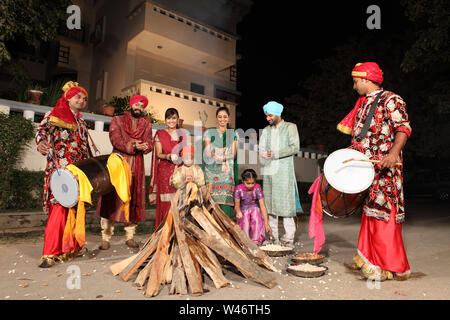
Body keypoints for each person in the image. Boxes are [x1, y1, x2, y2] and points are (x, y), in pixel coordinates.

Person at [338, 62, 412, 281]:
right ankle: (367, 258)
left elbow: (403, 128)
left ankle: (387, 266)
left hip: (386, 169)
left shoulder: (392, 99)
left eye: (355, 81)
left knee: (384, 215)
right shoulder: (361, 104)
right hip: (366, 169)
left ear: (365, 79)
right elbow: (360, 138)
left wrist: (393, 154)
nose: (353, 87)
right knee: (369, 213)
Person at [36, 81, 91, 268]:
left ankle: (73, 247)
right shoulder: (54, 114)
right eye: (78, 97)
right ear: (68, 98)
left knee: (76, 209)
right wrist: (41, 144)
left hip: (78, 171)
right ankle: (49, 253)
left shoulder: (81, 121)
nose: (82, 100)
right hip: (60, 170)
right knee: (59, 209)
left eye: (84, 98)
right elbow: (41, 131)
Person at [96, 95, 153, 249]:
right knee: (112, 199)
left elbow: (150, 142)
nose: (138, 108)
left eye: (141, 106)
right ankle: (106, 238)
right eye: (136, 104)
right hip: (118, 164)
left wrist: (146, 147)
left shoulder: (146, 125)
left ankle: (130, 236)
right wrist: (134, 146)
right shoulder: (118, 120)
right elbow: (115, 139)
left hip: (136, 167)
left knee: (133, 199)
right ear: (131, 105)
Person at [259, 101, 301, 248]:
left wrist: (275, 153)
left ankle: (289, 238)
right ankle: (272, 237)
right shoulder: (266, 130)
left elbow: (295, 147)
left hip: (284, 173)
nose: (268, 118)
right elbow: (262, 148)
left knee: (286, 206)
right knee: (270, 206)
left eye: (270, 115)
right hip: (269, 172)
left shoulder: (290, 127)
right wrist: (263, 153)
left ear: (277, 114)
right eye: (266, 116)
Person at [149, 108, 186, 229]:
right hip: (164, 171)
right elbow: (158, 154)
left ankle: (176, 232)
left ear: (177, 119)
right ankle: (164, 231)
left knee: (178, 202)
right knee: (165, 202)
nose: (171, 120)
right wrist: (168, 156)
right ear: (165, 120)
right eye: (169, 118)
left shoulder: (182, 134)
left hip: (178, 170)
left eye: (174, 118)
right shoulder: (160, 134)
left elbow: (185, 153)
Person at [203, 107, 238, 218]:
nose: (222, 119)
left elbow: (233, 154)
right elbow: (208, 152)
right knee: (212, 199)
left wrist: (222, 157)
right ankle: (212, 229)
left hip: (226, 171)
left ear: (228, 118)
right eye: (220, 116)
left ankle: (226, 229)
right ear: (217, 118)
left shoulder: (233, 134)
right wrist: (216, 155)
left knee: (226, 198)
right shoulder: (209, 132)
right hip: (212, 171)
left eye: (225, 116)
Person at [234, 169, 272, 245]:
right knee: (245, 220)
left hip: (255, 208)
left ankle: (256, 241)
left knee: (256, 215)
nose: (250, 186)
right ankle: (245, 241)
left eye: (252, 183)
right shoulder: (238, 189)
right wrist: (238, 211)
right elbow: (237, 204)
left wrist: (267, 223)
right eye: (248, 183)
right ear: (242, 181)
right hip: (243, 209)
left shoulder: (257, 188)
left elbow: (262, 206)